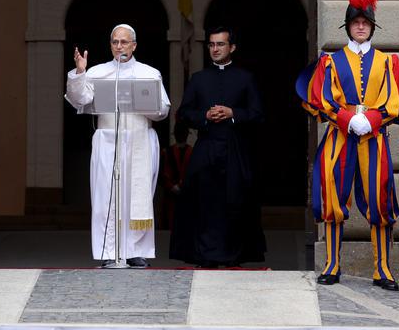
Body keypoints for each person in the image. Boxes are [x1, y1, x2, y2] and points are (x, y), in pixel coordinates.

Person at [296, 0, 399, 290]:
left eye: (365, 22)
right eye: (356, 22)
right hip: (338, 138)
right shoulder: (330, 62)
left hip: (374, 140)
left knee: (380, 202)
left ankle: (383, 269)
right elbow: (322, 99)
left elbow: (393, 101)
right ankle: (332, 265)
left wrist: (371, 120)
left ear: (372, 26)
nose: (360, 27)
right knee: (333, 200)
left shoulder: (389, 62)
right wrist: (347, 118)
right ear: (348, 26)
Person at [65, 23, 170, 267]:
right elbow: (79, 99)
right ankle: (108, 251)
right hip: (108, 142)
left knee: (136, 196)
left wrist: (144, 103)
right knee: (106, 198)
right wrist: (80, 73)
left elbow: (163, 110)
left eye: (124, 42)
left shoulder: (149, 73)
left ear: (134, 45)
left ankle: (135, 251)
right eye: (115, 42)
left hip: (140, 140)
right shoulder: (98, 72)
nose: (119, 46)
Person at [169, 25, 265, 267]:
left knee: (235, 202)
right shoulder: (199, 79)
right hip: (207, 147)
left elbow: (258, 114)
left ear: (232, 47)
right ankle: (206, 256)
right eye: (211, 44)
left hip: (236, 150)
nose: (215, 49)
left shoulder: (246, 78)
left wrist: (233, 113)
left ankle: (233, 256)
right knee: (204, 203)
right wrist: (205, 116)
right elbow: (183, 113)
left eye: (220, 44)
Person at [160, 119, 192, 229]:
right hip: (171, 198)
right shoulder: (167, 152)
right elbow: (162, 175)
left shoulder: (192, 152)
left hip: (186, 196)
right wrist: (172, 187)